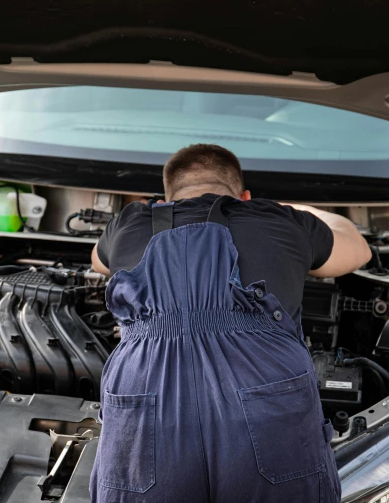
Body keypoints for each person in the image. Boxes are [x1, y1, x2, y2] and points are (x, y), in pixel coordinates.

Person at [89, 144, 371, 503]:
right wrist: (294, 211)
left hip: (144, 391)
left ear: (166, 197)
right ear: (245, 197)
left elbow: (98, 262)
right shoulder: (280, 220)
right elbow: (358, 249)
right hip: (262, 390)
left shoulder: (128, 223)